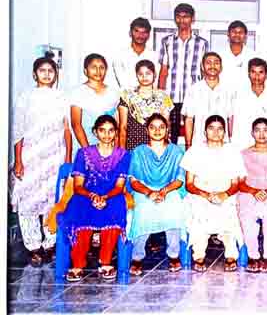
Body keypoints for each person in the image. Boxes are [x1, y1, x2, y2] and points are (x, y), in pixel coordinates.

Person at [12, 56, 72, 266]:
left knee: (52, 199)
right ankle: (33, 246)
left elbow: (67, 130)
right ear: (34, 74)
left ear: (56, 74)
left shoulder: (62, 97)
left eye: (50, 71)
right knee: (28, 201)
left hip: (55, 155)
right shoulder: (26, 97)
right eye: (42, 70)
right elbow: (18, 131)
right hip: (31, 155)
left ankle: (50, 244)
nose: (46, 74)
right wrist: (18, 160)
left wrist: (67, 159)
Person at [61, 115, 130, 282]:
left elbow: (119, 186)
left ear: (116, 132)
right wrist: (92, 196)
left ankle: (106, 262)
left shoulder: (123, 155)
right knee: (80, 211)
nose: (107, 135)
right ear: (95, 132)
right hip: (85, 194)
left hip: (112, 195)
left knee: (116, 208)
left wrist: (104, 197)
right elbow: (78, 186)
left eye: (111, 130)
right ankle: (78, 263)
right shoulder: (84, 153)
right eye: (102, 130)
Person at [180, 115, 246, 272]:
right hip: (200, 194)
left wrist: (224, 194)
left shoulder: (232, 151)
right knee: (199, 211)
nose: (216, 132)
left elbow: (235, 184)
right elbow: (189, 184)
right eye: (211, 128)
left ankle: (231, 254)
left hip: (226, 193)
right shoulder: (195, 151)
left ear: (225, 132)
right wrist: (205, 195)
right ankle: (199, 255)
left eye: (220, 129)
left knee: (229, 211)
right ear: (205, 132)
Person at [127, 114, 187, 276]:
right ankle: (137, 257)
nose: (157, 131)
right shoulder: (139, 152)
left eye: (161, 127)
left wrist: (164, 191)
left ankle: (174, 255)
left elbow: (179, 180)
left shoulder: (175, 151)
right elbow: (134, 181)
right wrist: (149, 193)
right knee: (142, 209)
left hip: (169, 190)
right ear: (147, 130)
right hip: (144, 190)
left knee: (174, 206)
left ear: (167, 130)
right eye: (153, 127)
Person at [158, 3, 210, 144]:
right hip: (171, 97)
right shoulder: (167, 41)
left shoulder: (202, 43)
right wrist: (160, 97)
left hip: (193, 95)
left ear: (192, 19)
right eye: (179, 17)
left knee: (194, 135)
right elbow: (163, 71)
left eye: (186, 16)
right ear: (175, 19)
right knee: (169, 135)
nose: (182, 20)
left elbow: (205, 71)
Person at [238, 118, 267, 273]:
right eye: (257, 130)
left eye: (265, 130)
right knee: (247, 215)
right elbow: (239, 182)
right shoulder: (243, 154)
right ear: (252, 133)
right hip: (249, 190)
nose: (261, 134)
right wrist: (254, 192)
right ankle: (253, 256)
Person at [117, 60, 173, 151]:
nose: (144, 77)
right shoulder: (127, 96)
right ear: (136, 76)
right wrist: (122, 153)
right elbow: (123, 127)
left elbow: (166, 127)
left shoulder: (163, 97)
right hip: (132, 148)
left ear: (154, 75)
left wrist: (164, 151)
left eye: (148, 73)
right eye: (140, 74)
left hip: (156, 149)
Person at [181, 52, 233, 148]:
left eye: (216, 63)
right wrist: (188, 145)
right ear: (202, 66)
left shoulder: (229, 90)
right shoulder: (193, 90)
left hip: (223, 144)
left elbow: (231, 119)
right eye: (209, 63)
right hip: (199, 144)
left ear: (221, 67)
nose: (212, 66)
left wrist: (231, 142)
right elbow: (189, 119)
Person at [230, 58, 267, 149]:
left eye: (260, 72)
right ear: (248, 74)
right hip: (244, 146)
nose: (257, 76)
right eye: (253, 72)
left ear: (266, 75)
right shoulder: (239, 96)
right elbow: (232, 121)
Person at [70, 53, 120, 148]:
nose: (98, 71)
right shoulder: (78, 92)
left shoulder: (113, 93)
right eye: (93, 67)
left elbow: (116, 124)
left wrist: (115, 151)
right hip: (84, 145)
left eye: (102, 67)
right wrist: (88, 151)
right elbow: (76, 125)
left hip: (107, 147)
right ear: (85, 71)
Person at [113, 17, 159, 90]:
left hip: (149, 95)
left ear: (148, 35)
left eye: (144, 32)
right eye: (137, 31)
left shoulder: (155, 56)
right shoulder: (120, 56)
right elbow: (123, 84)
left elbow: (155, 82)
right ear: (130, 33)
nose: (140, 35)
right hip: (127, 95)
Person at [220, 20, 263, 90]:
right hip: (223, 94)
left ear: (245, 36)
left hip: (246, 94)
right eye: (234, 32)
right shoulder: (219, 55)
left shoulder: (254, 56)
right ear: (228, 34)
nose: (237, 34)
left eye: (240, 32)